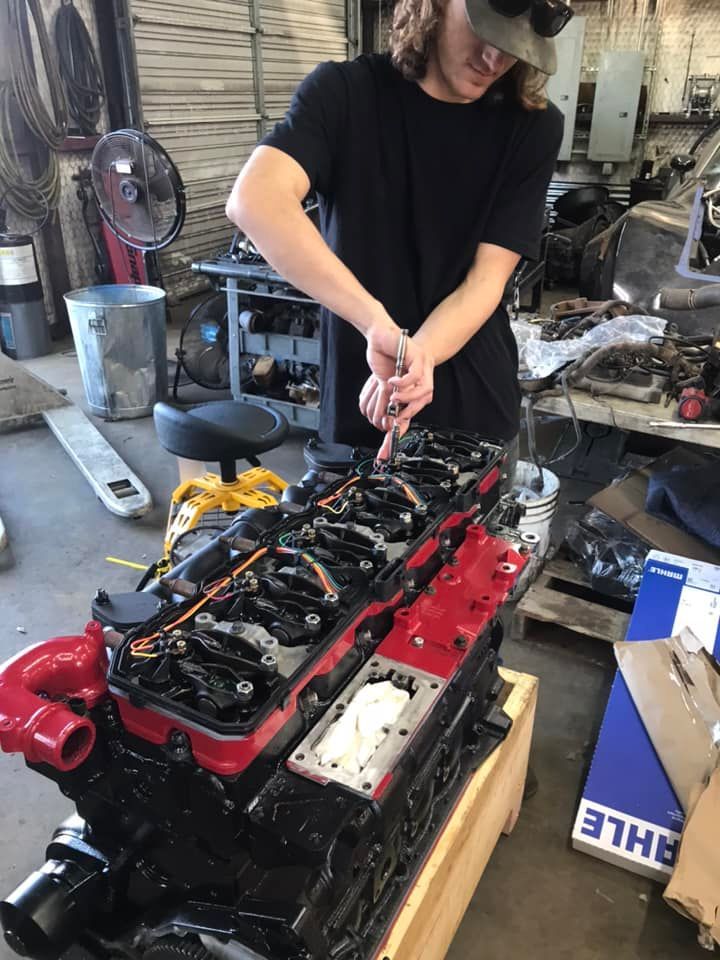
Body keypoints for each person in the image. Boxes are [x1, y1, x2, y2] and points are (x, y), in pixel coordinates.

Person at [226, 0, 570, 461]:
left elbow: (487, 279)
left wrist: (416, 354)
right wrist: (378, 327)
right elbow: (255, 201)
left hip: (473, 403)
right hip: (365, 397)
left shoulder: (534, 126)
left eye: (513, 49)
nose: (494, 61)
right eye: (484, 35)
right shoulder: (346, 95)